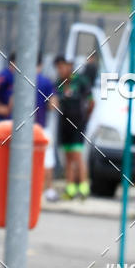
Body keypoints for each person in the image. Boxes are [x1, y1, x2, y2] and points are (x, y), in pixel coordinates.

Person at [53, 55, 94, 199]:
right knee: (68, 157)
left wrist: (85, 117)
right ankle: (70, 188)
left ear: (70, 66)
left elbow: (91, 101)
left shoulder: (81, 81)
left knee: (78, 156)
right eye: (58, 67)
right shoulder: (58, 83)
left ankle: (83, 187)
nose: (60, 70)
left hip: (78, 124)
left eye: (63, 66)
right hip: (64, 125)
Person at [34, 55, 59, 202]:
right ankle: (48, 190)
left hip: (19, 128)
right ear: (41, 65)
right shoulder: (45, 82)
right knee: (47, 159)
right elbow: (53, 105)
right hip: (40, 127)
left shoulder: (19, 79)